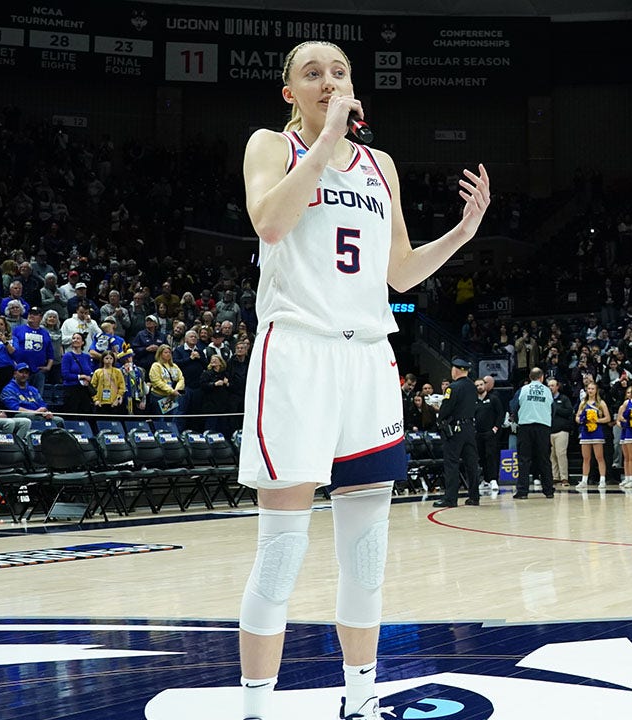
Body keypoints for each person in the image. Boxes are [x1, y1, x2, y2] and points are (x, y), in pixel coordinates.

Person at [236, 39, 491, 720]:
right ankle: (256, 709)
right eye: (312, 74)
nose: (329, 81)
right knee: (283, 551)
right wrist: (324, 142)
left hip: (369, 359)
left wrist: (462, 234)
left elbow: (400, 272)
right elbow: (270, 221)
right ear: (290, 93)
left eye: (339, 72)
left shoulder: (381, 166)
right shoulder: (271, 145)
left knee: (367, 553)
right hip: (296, 355)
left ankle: (360, 700)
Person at [433, 357, 480, 508]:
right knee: (471, 464)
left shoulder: (453, 388)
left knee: (451, 463)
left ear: (456, 370)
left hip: (455, 430)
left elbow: (446, 408)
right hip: (469, 429)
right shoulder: (472, 387)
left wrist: (440, 420)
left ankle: (451, 498)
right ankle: (474, 496)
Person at [512, 367, 554, 499]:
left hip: (525, 426)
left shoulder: (523, 390)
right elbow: (553, 409)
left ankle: (522, 491)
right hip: (543, 427)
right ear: (541, 378)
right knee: (544, 459)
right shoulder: (547, 391)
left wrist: (520, 419)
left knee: (524, 460)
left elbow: (513, 406)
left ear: (530, 377)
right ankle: (548, 490)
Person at [2, 362, 64, 427]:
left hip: (38, 414)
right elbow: (14, 408)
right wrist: (34, 412)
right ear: (15, 374)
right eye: (21, 372)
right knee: (33, 417)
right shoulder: (8, 389)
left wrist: (46, 412)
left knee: (59, 420)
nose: (24, 375)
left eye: (26, 373)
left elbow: (42, 404)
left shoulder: (33, 389)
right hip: (19, 415)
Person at [576, 379, 611, 487]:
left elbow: (608, 418)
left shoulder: (601, 403)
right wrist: (581, 420)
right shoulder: (583, 403)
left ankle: (602, 480)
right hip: (586, 432)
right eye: (589, 389)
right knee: (586, 458)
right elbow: (577, 417)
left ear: (596, 390)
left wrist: (597, 420)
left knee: (599, 457)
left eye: (592, 389)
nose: (590, 391)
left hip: (597, 432)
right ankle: (584, 480)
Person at [473, 375, 504, 492]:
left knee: (491, 455)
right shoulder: (474, 401)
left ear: (485, 385)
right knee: (482, 457)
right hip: (478, 434)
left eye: (481, 384)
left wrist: (495, 428)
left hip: (491, 433)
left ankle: (493, 479)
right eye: (477, 385)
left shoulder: (493, 398)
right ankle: (486, 480)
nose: (479, 387)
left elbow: (500, 414)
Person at [547, 378, 574, 487]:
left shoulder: (564, 399)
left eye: (552, 385)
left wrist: (556, 409)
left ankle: (564, 478)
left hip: (562, 431)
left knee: (561, 454)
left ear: (557, 387)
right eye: (549, 386)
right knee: (552, 455)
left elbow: (569, 411)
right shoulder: (547, 399)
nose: (550, 388)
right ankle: (555, 477)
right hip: (550, 431)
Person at [147, 344, 184, 416]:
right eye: (165, 352)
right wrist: (171, 391)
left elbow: (181, 378)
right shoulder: (156, 366)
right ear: (160, 354)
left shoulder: (174, 366)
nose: (168, 354)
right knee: (160, 419)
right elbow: (157, 382)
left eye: (169, 352)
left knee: (171, 418)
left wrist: (177, 390)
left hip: (171, 397)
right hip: (159, 396)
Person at [90, 350, 126, 416]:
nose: (109, 360)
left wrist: (118, 398)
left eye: (111, 358)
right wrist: (95, 400)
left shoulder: (117, 372)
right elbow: (92, 387)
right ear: (102, 359)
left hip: (114, 402)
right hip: (100, 403)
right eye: (106, 358)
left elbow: (122, 387)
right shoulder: (97, 372)